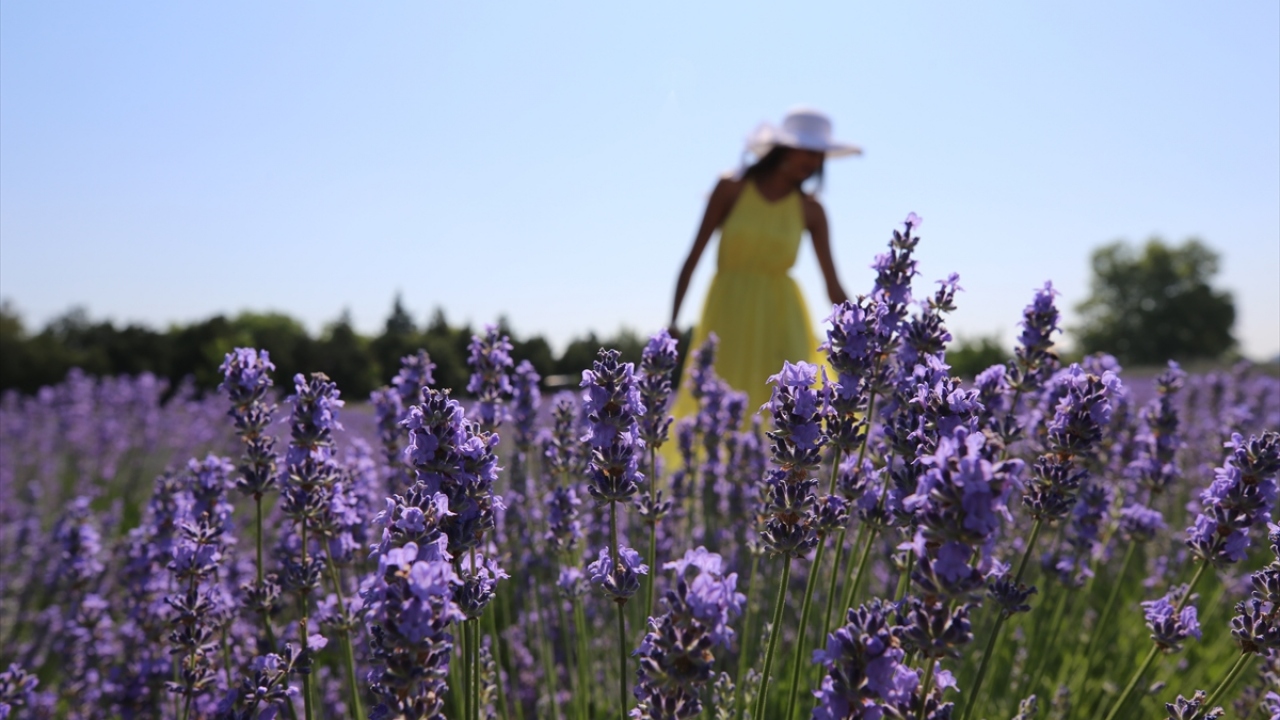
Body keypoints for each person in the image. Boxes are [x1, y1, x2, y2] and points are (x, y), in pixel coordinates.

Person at [668, 108, 860, 422]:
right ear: (784, 148)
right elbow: (693, 257)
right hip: (728, 311)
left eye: (819, 155)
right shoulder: (731, 188)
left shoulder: (812, 210)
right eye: (808, 151)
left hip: (782, 314)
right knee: (719, 404)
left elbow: (832, 284)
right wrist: (673, 322)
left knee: (791, 407)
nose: (813, 162)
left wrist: (865, 331)